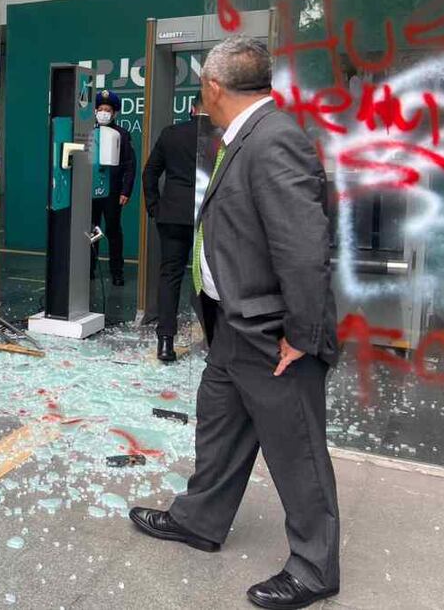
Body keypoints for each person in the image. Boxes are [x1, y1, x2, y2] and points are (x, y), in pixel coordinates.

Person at [128, 36, 341, 610]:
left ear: (214, 87)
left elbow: (304, 247)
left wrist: (302, 331)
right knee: (218, 421)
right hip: (232, 324)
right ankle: (200, 520)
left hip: (273, 332)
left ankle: (315, 568)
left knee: (296, 448)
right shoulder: (245, 136)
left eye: (202, 84)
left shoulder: (275, 140)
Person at [142, 93, 205, 362]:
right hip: (208, 216)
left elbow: (150, 173)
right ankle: (214, 340)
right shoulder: (222, 136)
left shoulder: (171, 134)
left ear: (191, 108)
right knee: (211, 278)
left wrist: (155, 207)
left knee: (170, 276)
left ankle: (165, 342)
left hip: (173, 215)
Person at [90, 90, 136, 285]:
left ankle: (117, 272)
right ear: (95, 111)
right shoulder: (87, 132)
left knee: (113, 230)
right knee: (91, 231)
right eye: (100, 109)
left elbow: (130, 164)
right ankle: (88, 269)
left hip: (113, 191)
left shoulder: (122, 135)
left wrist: (126, 190)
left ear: (114, 113)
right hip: (90, 191)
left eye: (107, 110)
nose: (103, 113)